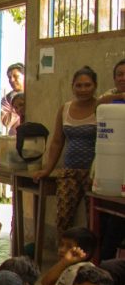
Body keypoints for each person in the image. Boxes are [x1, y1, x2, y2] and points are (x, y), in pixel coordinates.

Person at [32, 66, 100, 233]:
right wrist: (47, 169)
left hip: (93, 174)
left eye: (87, 85)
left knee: (94, 219)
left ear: (95, 86)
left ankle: (90, 257)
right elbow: (57, 141)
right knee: (63, 218)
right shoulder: (66, 109)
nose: (83, 89)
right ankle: (65, 254)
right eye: (78, 85)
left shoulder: (101, 108)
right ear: (72, 86)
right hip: (69, 172)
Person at [0, 62, 25, 136]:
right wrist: (16, 106)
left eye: (15, 76)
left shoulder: (33, 94)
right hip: (15, 137)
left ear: (24, 76)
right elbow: (6, 122)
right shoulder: (7, 99)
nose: (12, 80)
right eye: (9, 77)